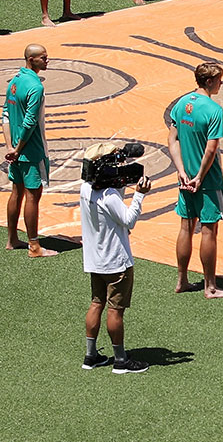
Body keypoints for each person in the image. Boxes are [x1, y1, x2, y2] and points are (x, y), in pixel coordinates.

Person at [80, 143, 152, 374]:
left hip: (95, 260)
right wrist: (139, 195)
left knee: (96, 303)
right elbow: (128, 219)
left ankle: (91, 356)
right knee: (115, 310)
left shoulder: (85, 189)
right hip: (116, 261)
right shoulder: (109, 196)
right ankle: (121, 360)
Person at [168, 62, 223, 298]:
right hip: (207, 180)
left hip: (184, 177)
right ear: (209, 81)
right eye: (219, 79)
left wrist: (181, 171)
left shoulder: (182, 103)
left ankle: (182, 280)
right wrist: (199, 176)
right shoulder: (214, 110)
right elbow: (211, 149)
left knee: (186, 226)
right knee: (209, 231)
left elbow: (172, 139)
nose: (221, 83)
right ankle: (210, 287)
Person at [2, 44, 59, 258]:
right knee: (33, 195)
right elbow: (30, 121)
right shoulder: (36, 86)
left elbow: (5, 114)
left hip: (16, 150)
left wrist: (9, 146)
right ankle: (34, 246)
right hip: (31, 150)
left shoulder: (14, 82)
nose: (47, 60)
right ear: (31, 59)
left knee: (16, 191)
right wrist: (18, 149)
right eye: (43, 57)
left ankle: (12, 239)